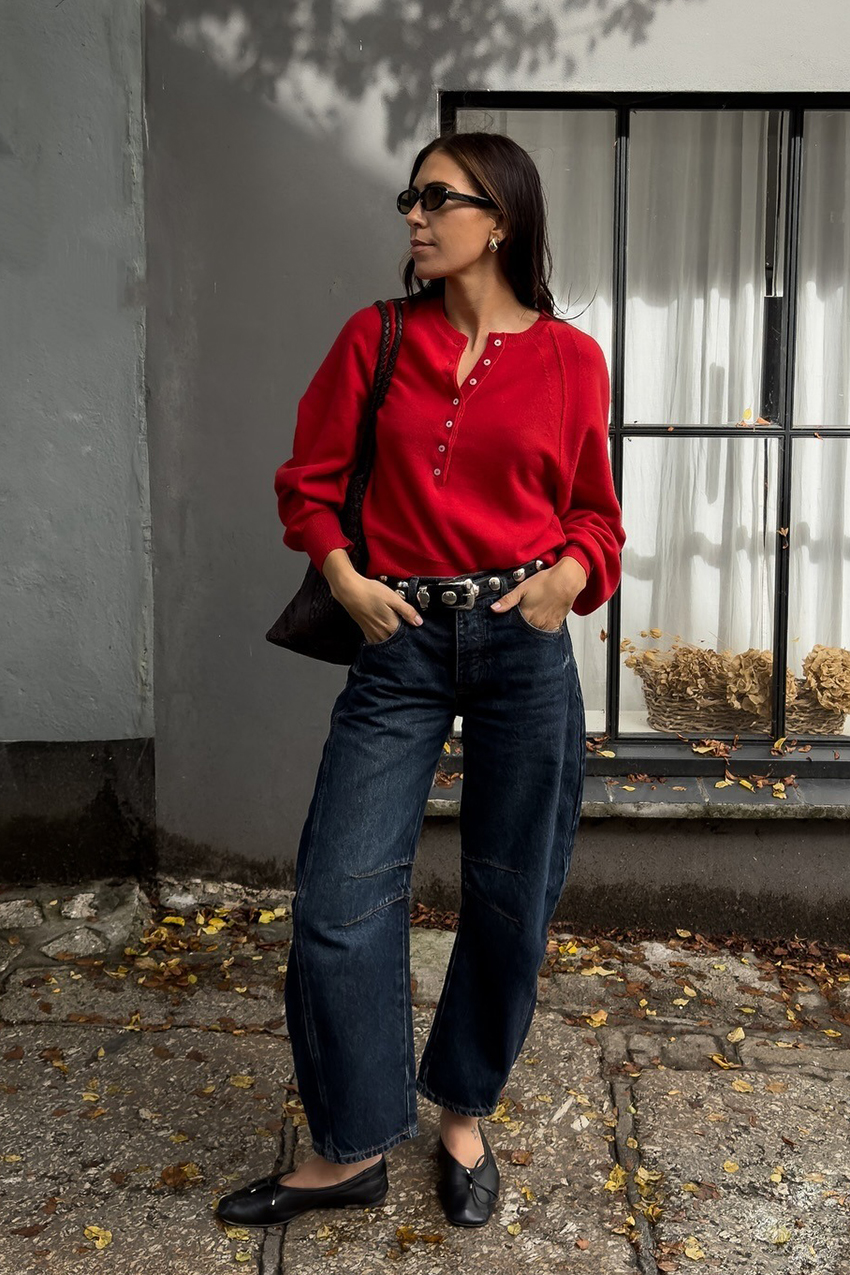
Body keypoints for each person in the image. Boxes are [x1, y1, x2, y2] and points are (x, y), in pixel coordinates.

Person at [217, 131, 626, 1232]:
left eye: (436, 198)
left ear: (500, 217)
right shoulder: (375, 338)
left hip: (519, 645)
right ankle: (348, 1147)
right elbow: (307, 483)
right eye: (411, 196)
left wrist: (570, 575)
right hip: (397, 638)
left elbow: (595, 509)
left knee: (509, 898)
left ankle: (460, 1114)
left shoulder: (570, 360)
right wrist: (345, 579)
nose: (412, 214)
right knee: (340, 901)